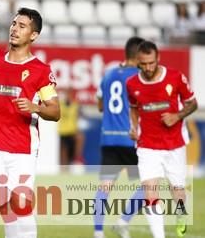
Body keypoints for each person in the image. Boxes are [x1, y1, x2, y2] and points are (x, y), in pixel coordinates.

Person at [0, 8, 60, 238]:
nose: (14, 29)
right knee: (2, 204)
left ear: (34, 35)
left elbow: (55, 111)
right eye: (13, 24)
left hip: (22, 147)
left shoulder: (40, 71)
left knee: (21, 203)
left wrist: (36, 107)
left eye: (22, 26)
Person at [127, 40, 198, 238]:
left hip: (174, 144)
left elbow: (192, 103)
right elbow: (133, 108)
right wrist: (134, 128)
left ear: (158, 58)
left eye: (151, 62)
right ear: (138, 62)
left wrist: (177, 116)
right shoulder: (132, 84)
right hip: (147, 145)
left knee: (178, 191)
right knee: (150, 192)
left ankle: (181, 214)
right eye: (143, 64)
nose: (148, 68)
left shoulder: (175, 77)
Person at [94, 36, 146, 238]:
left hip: (108, 139)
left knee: (105, 187)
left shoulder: (108, 74)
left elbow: (100, 105)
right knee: (149, 184)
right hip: (131, 139)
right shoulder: (140, 77)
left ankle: (98, 232)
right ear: (139, 55)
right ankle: (123, 220)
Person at [57, 88, 84, 170]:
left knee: (80, 138)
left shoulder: (76, 105)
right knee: (63, 153)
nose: (68, 96)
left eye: (70, 94)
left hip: (72, 132)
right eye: (67, 94)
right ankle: (63, 169)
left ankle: (77, 159)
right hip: (63, 132)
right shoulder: (60, 104)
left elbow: (80, 116)